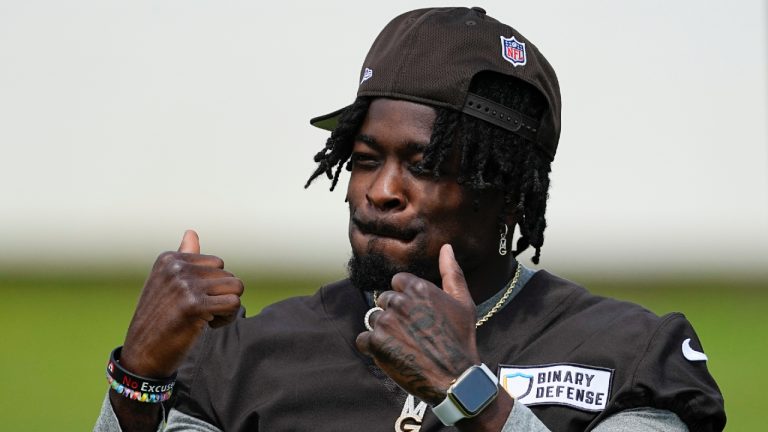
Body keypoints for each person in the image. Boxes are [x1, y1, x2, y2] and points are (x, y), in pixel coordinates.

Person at [94, 6, 725, 432]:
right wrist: (138, 382)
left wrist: (470, 394)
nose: (382, 191)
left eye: (423, 166)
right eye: (366, 160)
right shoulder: (247, 358)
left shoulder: (625, 351)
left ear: (507, 191)